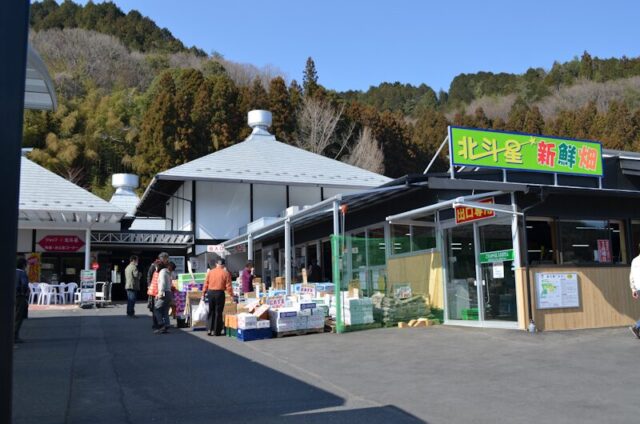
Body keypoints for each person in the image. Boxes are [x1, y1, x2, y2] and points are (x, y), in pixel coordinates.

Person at [202, 258, 233, 336]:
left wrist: (203, 293)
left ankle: (209, 329)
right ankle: (216, 331)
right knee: (218, 312)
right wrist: (231, 295)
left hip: (210, 292)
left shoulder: (210, 272)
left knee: (211, 311)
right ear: (223, 265)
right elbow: (228, 286)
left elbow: (206, 283)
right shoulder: (226, 273)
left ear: (216, 264)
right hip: (220, 293)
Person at [147, 252, 169, 330]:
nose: (167, 260)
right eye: (166, 258)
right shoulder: (155, 265)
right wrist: (150, 286)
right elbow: (149, 276)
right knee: (155, 307)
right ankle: (156, 324)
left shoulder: (164, 266)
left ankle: (162, 323)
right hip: (154, 290)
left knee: (160, 308)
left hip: (159, 289)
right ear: (163, 258)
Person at [154, 262, 175, 334]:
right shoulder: (168, 273)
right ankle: (166, 325)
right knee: (165, 310)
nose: (155, 268)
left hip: (164, 292)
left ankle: (161, 325)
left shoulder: (162, 272)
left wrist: (160, 293)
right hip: (168, 293)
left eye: (156, 266)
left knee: (156, 308)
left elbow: (162, 283)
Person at [15, 258, 30, 344]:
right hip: (20, 296)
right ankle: (15, 335)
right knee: (18, 316)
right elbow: (24, 284)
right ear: (24, 265)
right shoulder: (22, 273)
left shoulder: (12, 272)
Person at [629, 246, 640, 338]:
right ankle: (636, 326)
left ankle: (637, 327)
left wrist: (633, 289)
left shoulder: (634, 260)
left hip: (638, 288)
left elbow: (631, 276)